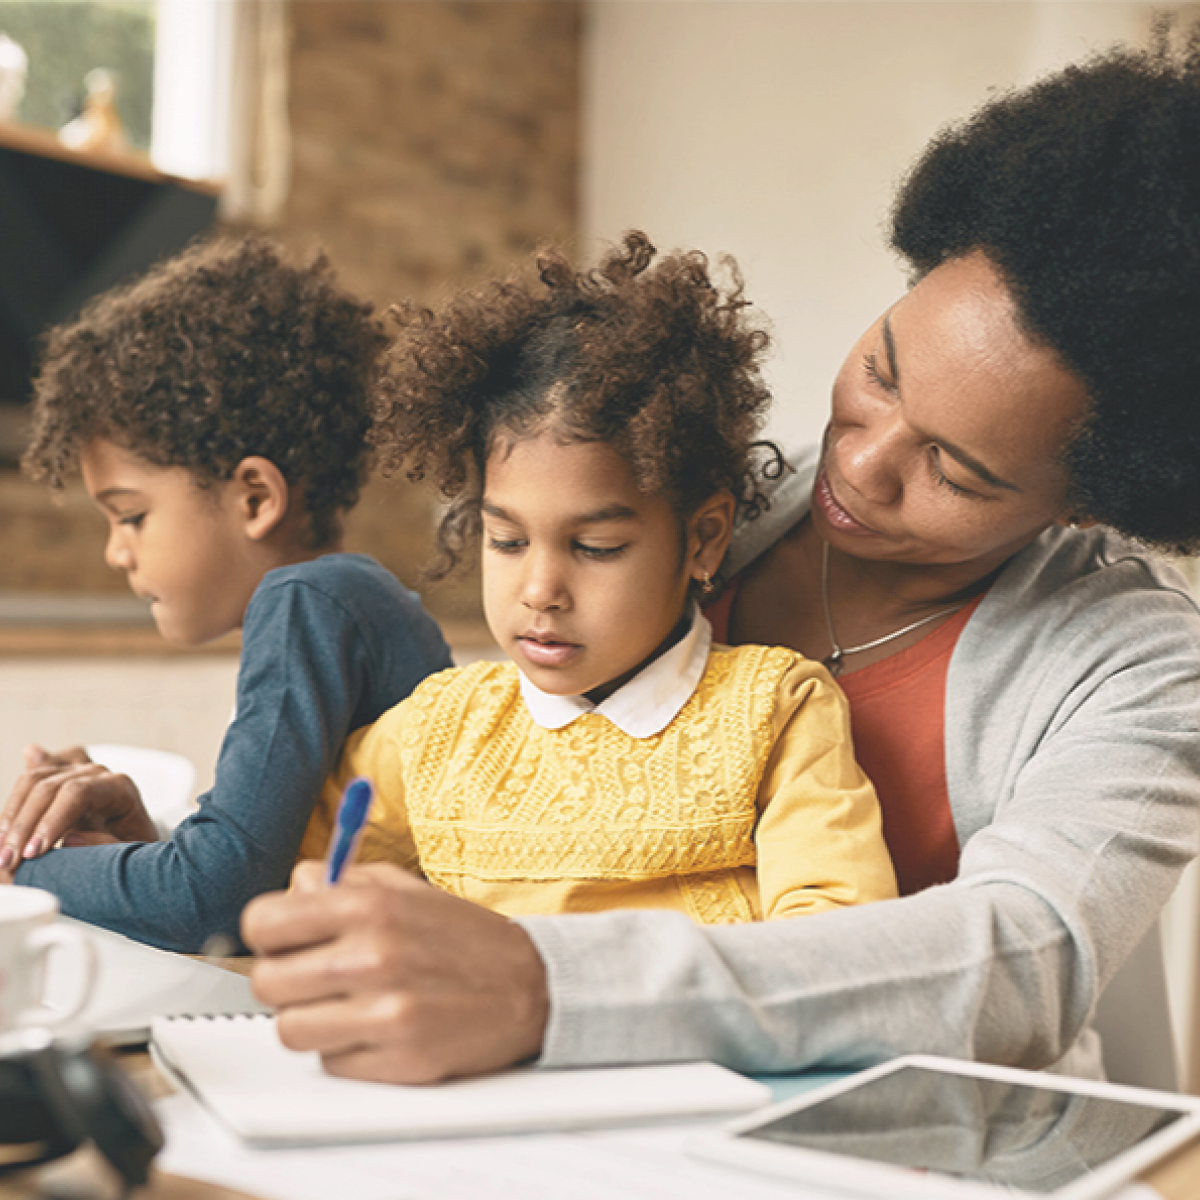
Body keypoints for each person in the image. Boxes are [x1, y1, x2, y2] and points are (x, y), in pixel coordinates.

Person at [242, 34, 1200, 1086]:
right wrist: (177, 848)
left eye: (955, 470)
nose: (859, 461)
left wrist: (549, 985)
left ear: (1085, 509)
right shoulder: (686, 493)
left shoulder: (1141, 663)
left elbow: (1025, 962)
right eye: (881, 371)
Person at [298, 232, 896, 926]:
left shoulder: (775, 712)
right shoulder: (437, 730)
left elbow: (838, 940)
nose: (539, 590)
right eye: (508, 540)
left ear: (702, 539)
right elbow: (303, 871)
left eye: (596, 546)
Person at [0, 236, 452, 952]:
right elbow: (266, 881)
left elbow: (207, 897)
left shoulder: (307, 600)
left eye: (131, 515)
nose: (117, 552)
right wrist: (144, 839)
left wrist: (25, 872)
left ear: (253, 497)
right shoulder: (352, 601)